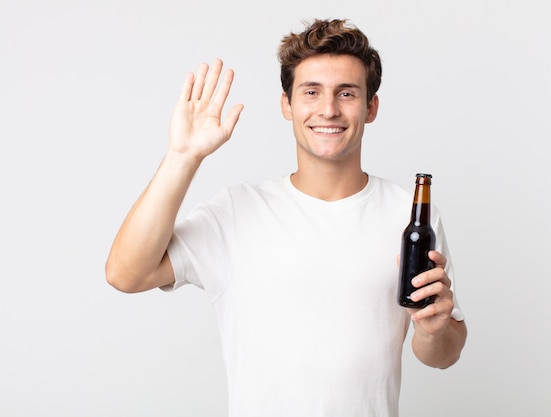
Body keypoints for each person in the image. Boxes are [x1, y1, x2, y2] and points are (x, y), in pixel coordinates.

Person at [106, 18, 467, 417]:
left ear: (371, 107)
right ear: (287, 104)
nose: (328, 109)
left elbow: (443, 355)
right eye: (311, 92)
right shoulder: (237, 211)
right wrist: (182, 157)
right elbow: (127, 274)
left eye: (345, 93)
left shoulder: (410, 215)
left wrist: (434, 329)